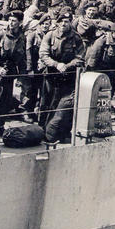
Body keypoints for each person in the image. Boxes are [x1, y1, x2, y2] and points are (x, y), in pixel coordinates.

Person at [38, 9, 85, 142]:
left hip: (68, 77)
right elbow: (43, 54)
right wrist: (56, 64)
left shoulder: (76, 38)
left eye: (67, 21)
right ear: (57, 23)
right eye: (61, 21)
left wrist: (68, 66)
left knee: (65, 106)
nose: (64, 24)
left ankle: (63, 133)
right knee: (46, 103)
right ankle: (42, 131)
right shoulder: (50, 35)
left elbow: (80, 57)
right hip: (51, 76)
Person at [0, 10, 27, 135]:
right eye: (9, 20)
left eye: (14, 21)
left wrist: (21, 77)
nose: (11, 23)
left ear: (20, 22)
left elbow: (23, 60)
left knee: (5, 101)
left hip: (10, 73)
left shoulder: (22, 37)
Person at [86, 20, 115, 112]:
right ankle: (102, 112)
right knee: (104, 93)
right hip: (101, 70)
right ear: (112, 31)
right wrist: (91, 73)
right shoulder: (102, 41)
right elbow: (93, 58)